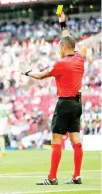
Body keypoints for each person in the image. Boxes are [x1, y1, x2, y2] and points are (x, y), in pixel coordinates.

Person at [21, 12, 84, 185]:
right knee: (75, 139)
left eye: (59, 47)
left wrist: (27, 72)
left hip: (64, 103)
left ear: (63, 47)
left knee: (56, 140)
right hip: (77, 103)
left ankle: (52, 178)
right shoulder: (79, 58)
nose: (58, 49)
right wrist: (62, 23)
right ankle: (77, 176)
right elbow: (68, 38)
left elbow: (41, 76)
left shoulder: (61, 64)